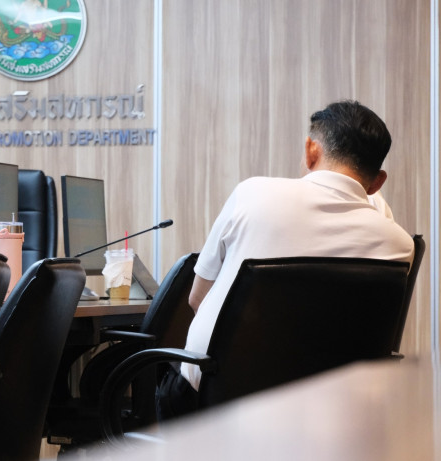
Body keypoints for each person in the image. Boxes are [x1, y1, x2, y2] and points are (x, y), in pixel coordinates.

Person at [157, 100, 415, 419]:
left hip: (214, 406)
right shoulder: (399, 244)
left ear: (311, 151)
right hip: (327, 415)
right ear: (378, 182)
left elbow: (198, 299)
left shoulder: (253, 195)